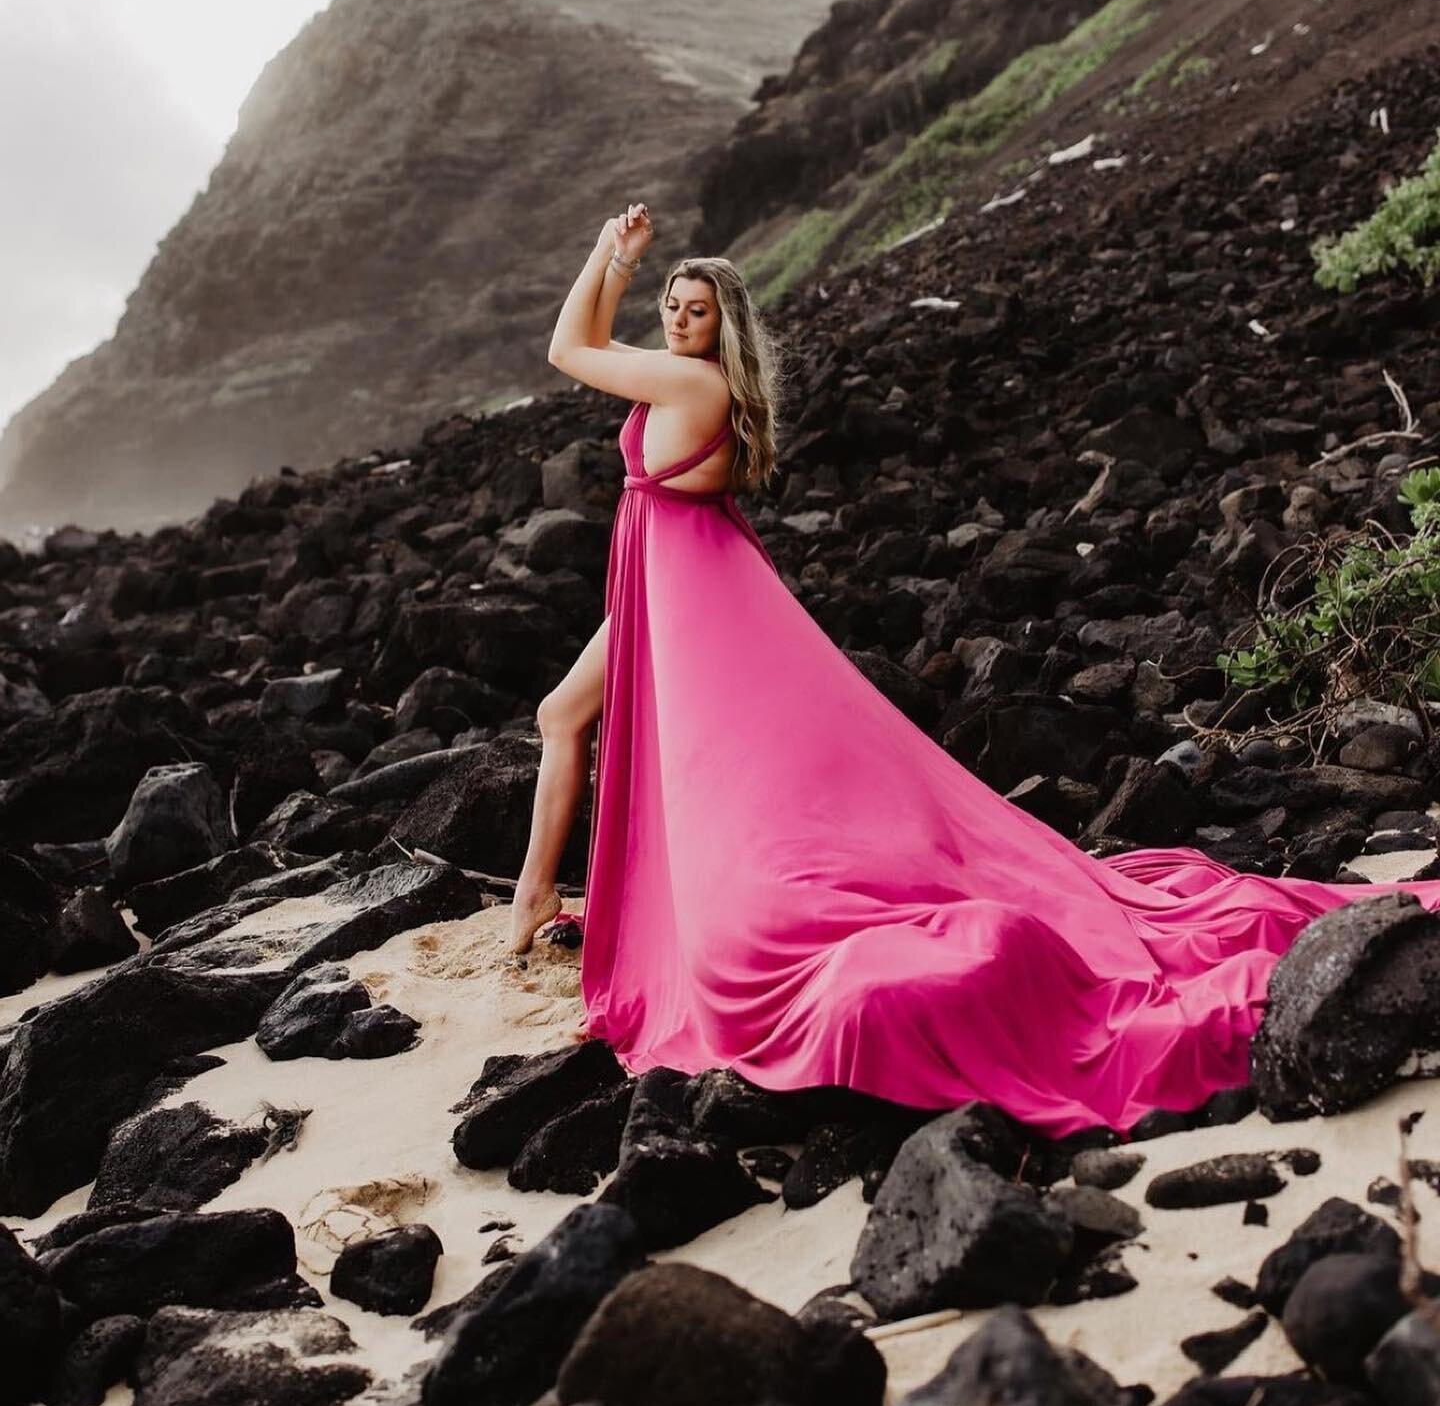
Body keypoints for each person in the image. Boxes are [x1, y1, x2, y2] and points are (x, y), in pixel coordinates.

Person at [513, 202, 1440, 1139]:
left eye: (695, 309)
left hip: (687, 599)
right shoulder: (702, 387)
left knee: (691, 787)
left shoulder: (688, 390)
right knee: (562, 713)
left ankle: (538, 900)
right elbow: (598, 355)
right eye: (670, 303)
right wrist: (630, 264)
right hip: (674, 588)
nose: (676, 319)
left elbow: (567, 346)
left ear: (725, 328)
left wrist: (608, 256)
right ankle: (540, 893)